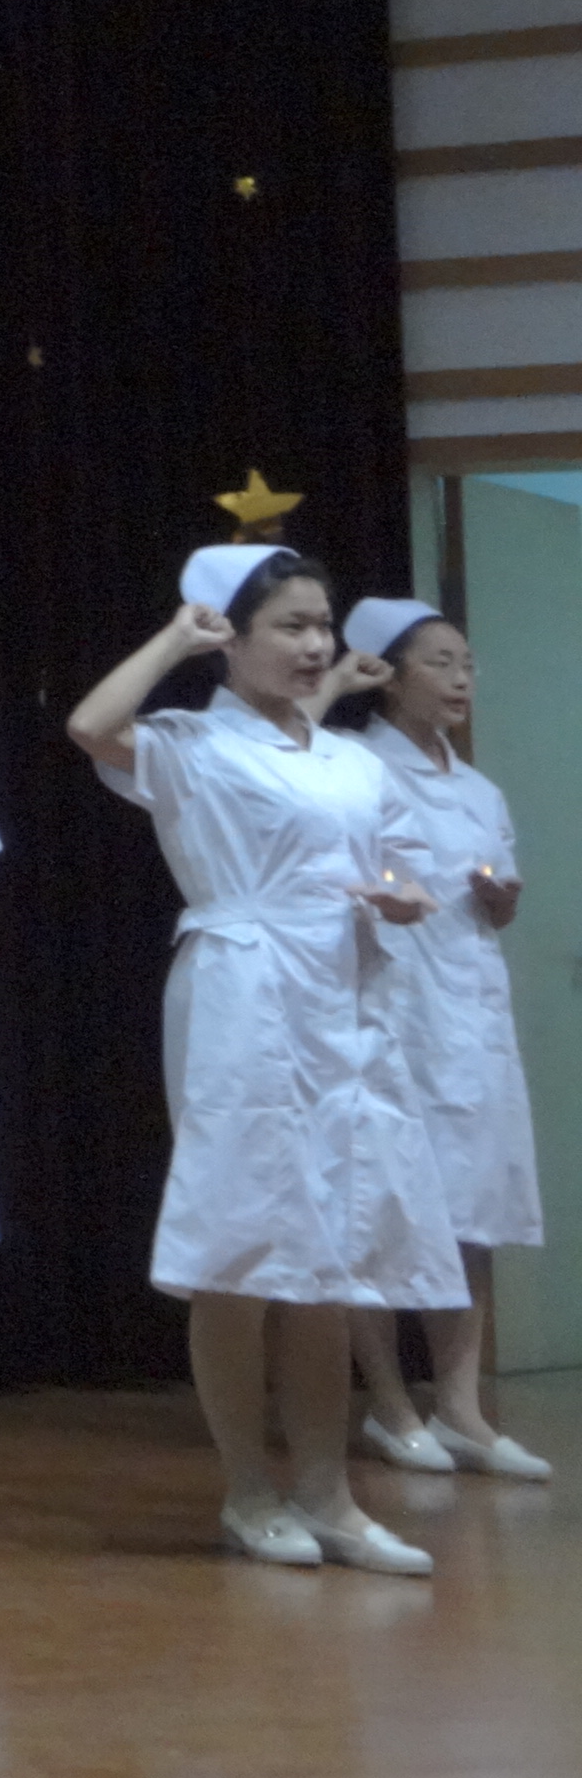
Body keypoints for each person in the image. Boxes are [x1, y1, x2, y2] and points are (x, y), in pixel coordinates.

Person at [68, 544, 457, 1573]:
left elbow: (406, 865)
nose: (315, 643)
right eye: (290, 625)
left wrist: (403, 896)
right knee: (239, 1251)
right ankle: (249, 1490)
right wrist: (172, 640)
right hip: (240, 991)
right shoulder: (194, 743)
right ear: (230, 638)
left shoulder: (351, 761)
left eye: (321, 624)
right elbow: (92, 727)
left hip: (344, 999)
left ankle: (329, 1497)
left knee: (328, 1254)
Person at [333, 598, 544, 1482]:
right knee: (382, 1206)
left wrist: (500, 897)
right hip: (387, 1007)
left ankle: (460, 1409)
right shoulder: (353, 766)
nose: (461, 680)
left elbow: (499, 897)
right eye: (441, 663)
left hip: (470, 1017)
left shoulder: (480, 789)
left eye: (468, 664)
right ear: (387, 676)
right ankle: (388, 1405)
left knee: (476, 1207)